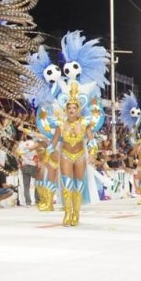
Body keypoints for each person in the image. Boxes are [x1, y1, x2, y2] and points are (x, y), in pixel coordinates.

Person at [53, 83, 89, 227]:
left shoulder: (85, 123)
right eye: (69, 108)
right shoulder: (61, 124)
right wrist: (48, 152)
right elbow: (55, 140)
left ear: (78, 109)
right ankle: (68, 212)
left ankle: (76, 213)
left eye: (74, 107)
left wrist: (93, 151)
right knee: (67, 185)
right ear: (66, 110)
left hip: (80, 155)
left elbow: (92, 139)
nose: (71, 110)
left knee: (79, 185)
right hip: (65, 154)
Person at [16, 135, 39, 207]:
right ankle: (37, 201)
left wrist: (19, 164)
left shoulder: (21, 145)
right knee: (37, 183)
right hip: (33, 165)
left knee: (26, 186)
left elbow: (17, 155)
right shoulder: (35, 144)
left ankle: (28, 202)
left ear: (25, 137)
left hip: (24, 165)